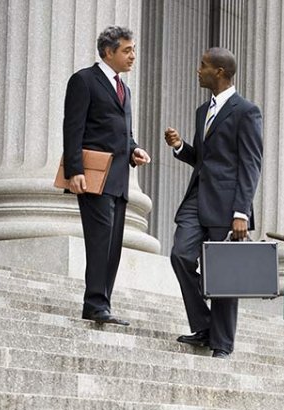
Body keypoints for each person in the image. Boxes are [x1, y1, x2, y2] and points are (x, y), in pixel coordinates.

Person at [165, 47, 263, 358]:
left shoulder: (247, 111)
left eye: (203, 66)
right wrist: (182, 147)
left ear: (219, 72)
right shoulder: (200, 111)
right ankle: (205, 325)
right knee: (180, 254)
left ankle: (221, 343)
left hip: (228, 204)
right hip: (197, 197)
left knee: (223, 273)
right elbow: (205, 161)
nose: (198, 70)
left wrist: (241, 212)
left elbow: (250, 163)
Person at [62, 26, 151, 326]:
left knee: (112, 244)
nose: (133, 56)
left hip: (119, 179)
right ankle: (95, 303)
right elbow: (72, 128)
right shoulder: (84, 81)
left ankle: (102, 303)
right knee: (99, 241)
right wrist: (74, 171)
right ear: (108, 52)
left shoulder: (125, 89)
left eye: (134, 49)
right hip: (93, 177)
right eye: (127, 50)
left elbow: (124, 133)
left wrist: (135, 149)